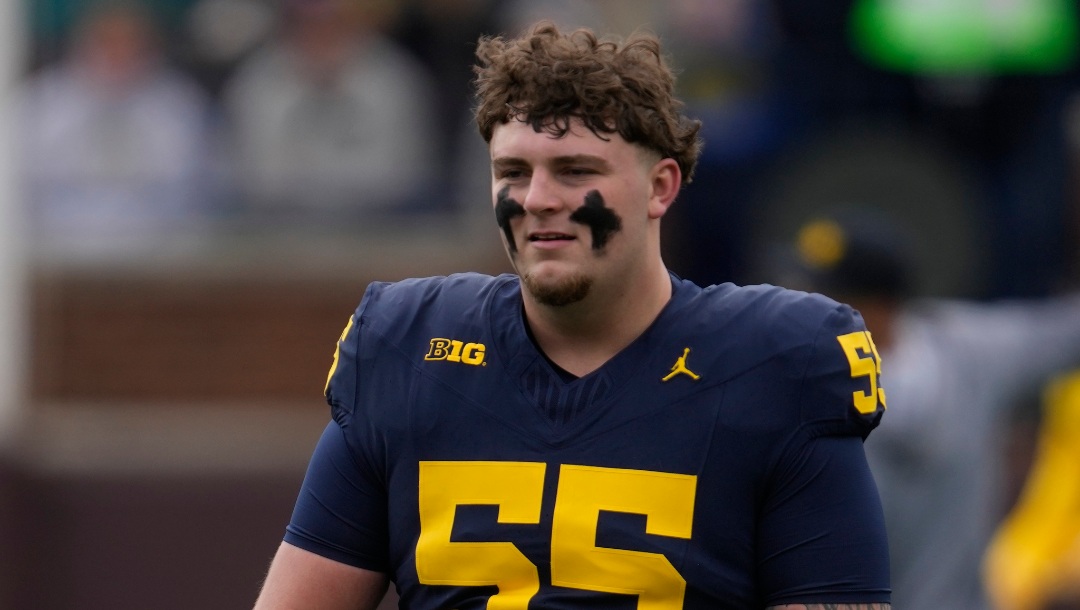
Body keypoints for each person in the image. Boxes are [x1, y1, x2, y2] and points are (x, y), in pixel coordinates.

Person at [253, 21, 891, 610]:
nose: (537, 199)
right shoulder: (409, 347)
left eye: (574, 169)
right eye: (513, 171)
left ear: (660, 187)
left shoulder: (778, 364)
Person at [771, 210, 1080, 610]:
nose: (799, 303)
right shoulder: (963, 349)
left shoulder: (808, 393)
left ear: (875, 308)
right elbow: (1065, 333)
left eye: (820, 295)